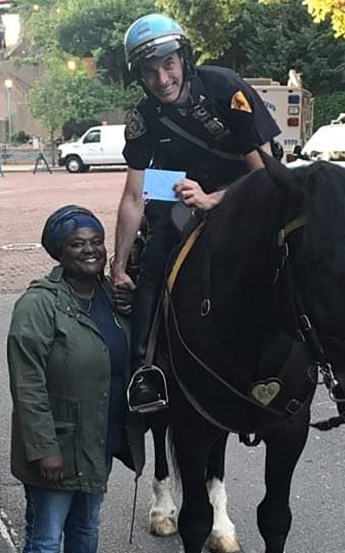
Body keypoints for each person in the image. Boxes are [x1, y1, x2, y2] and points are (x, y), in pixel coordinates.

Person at [111, 13, 280, 412]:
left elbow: (266, 173)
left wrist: (213, 200)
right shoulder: (143, 117)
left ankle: (309, 355)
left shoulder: (227, 88)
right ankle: (144, 372)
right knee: (153, 261)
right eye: (149, 72)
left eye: (168, 64)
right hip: (179, 191)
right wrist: (117, 267)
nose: (162, 79)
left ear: (184, 58)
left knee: (288, 252)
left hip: (246, 188)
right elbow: (133, 196)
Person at [7, 206, 142, 553]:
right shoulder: (38, 305)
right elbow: (27, 384)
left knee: (85, 535)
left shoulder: (110, 297)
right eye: (77, 244)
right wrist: (43, 447)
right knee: (44, 542)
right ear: (59, 253)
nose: (90, 250)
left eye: (96, 241)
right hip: (55, 447)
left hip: (97, 441)